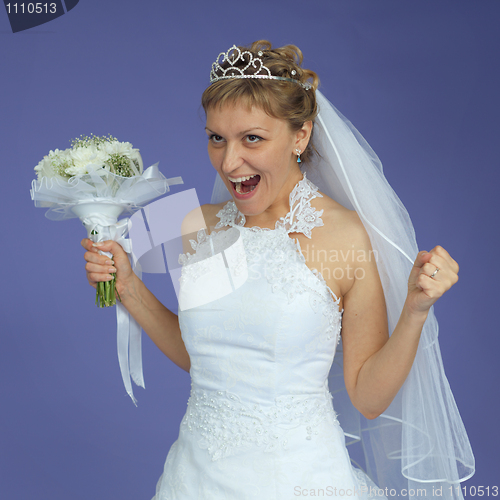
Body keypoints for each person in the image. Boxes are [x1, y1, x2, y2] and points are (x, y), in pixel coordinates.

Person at [81, 41, 474, 499]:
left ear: (300, 137)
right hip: (193, 479)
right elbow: (209, 361)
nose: (229, 163)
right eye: (216, 138)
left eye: (252, 138)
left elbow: (367, 398)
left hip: (300, 480)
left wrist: (415, 311)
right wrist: (128, 286)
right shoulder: (194, 223)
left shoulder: (346, 237)